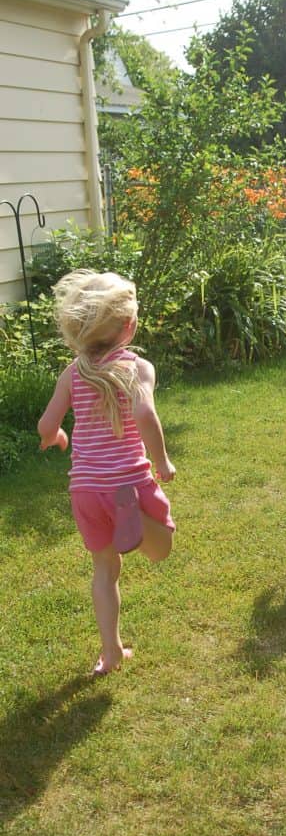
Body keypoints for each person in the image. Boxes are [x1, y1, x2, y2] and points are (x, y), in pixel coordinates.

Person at [38, 270, 176, 676]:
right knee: (161, 547)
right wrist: (163, 460)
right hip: (126, 479)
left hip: (84, 489)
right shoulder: (136, 367)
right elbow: (145, 413)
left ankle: (111, 652)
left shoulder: (73, 372)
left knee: (104, 570)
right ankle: (131, 512)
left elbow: (47, 426)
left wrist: (60, 438)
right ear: (129, 326)